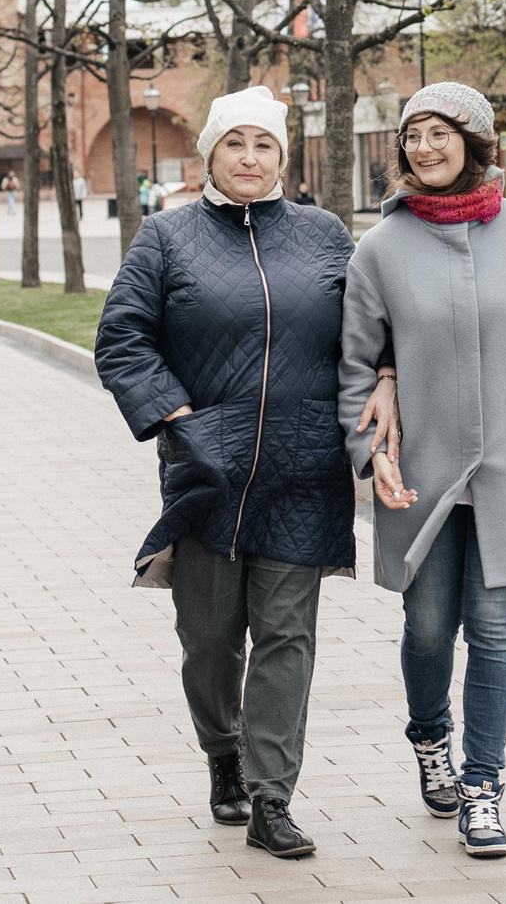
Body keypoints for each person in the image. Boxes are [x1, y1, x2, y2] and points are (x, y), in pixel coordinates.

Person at [94, 86, 357, 861]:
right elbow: (122, 338)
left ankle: (272, 798)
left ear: (283, 156)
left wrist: (383, 385)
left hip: (304, 469)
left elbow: (370, 332)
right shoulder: (166, 237)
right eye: (234, 143)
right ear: (210, 152)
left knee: (287, 636)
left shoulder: (324, 235)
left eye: (264, 144)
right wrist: (178, 419)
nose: (249, 157)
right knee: (209, 639)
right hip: (208, 472)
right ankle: (223, 750)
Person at [338, 82, 506, 863]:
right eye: (412, 134)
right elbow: (355, 364)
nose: (423, 147)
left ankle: (482, 786)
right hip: (423, 472)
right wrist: (371, 453)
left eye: (439, 132)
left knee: (494, 630)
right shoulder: (381, 247)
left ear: (474, 141)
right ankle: (429, 738)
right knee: (426, 628)